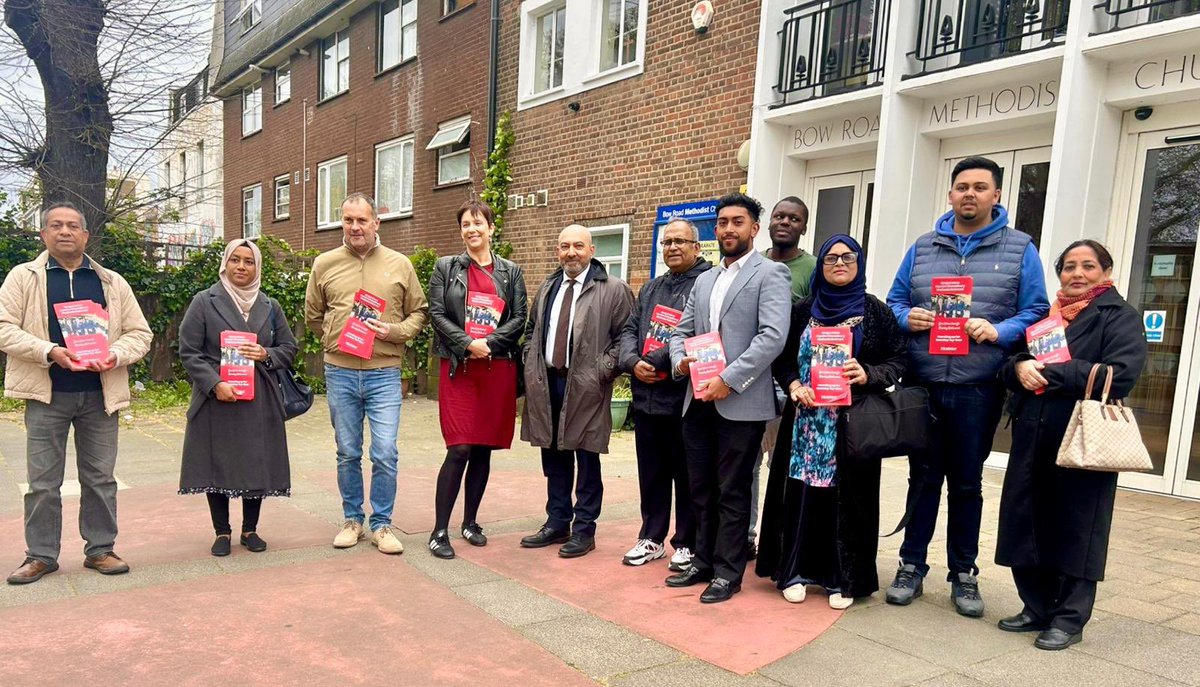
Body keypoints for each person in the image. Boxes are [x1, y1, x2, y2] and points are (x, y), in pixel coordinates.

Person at [885, 155, 1050, 616]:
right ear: (951, 194)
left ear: (996, 195)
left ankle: (964, 573)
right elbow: (895, 298)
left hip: (978, 387)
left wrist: (999, 331)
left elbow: (1036, 310)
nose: (970, 194)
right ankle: (911, 565)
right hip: (924, 382)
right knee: (922, 479)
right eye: (962, 186)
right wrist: (906, 317)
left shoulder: (1020, 248)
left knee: (966, 483)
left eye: (980, 187)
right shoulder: (922, 246)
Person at [996, 240, 1146, 650]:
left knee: (1078, 527)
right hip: (1033, 434)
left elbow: (1123, 374)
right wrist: (1020, 367)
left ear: (1106, 271)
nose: (1077, 274)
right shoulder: (1048, 317)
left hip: (1083, 437)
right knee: (1027, 520)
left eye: (1088, 266)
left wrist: (1054, 372)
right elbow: (1011, 363)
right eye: (1069, 267)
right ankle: (1037, 606)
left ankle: (1069, 617)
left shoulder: (1119, 316)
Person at [1, 202, 152, 584]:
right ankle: (41, 555)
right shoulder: (23, 278)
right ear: (44, 234)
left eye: (72, 226)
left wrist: (115, 354)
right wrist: (48, 351)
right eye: (56, 225)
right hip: (46, 394)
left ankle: (100, 549)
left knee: (100, 478)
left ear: (86, 235)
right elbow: (3, 327)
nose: (65, 231)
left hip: (100, 396)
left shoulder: (111, 282)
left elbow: (140, 334)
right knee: (42, 482)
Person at [756, 235, 906, 609]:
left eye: (847, 257)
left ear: (859, 262)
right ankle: (795, 571)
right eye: (830, 258)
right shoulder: (804, 309)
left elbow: (900, 360)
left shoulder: (875, 312)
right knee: (802, 496)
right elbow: (782, 358)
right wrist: (792, 385)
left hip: (852, 424)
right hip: (805, 421)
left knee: (847, 501)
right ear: (821, 265)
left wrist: (868, 373)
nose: (839, 263)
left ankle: (843, 577)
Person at [666, 192, 791, 604]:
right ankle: (703, 560)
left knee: (733, 490)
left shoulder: (771, 274)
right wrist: (681, 361)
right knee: (700, 488)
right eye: (722, 222)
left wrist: (729, 379)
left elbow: (772, 336)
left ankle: (727, 571)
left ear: (754, 229)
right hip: (697, 399)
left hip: (741, 403)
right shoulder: (704, 279)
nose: (728, 229)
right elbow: (681, 331)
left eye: (737, 222)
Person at [304, 192, 429, 555]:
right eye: (348, 220)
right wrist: (335, 338)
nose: (355, 227)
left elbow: (419, 313)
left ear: (377, 223)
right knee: (346, 451)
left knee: (385, 452)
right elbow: (313, 315)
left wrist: (392, 332)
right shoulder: (324, 263)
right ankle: (352, 519)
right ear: (342, 222)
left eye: (362, 220)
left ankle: (382, 524)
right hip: (340, 371)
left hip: (384, 373)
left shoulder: (400, 264)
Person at [519, 224, 634, 558]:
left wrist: (603, 369)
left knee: (587, 458)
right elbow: (531, 331)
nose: (571, 252)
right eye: (564, 246)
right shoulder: (548, 287)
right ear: (558, 250)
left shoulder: (613, 289)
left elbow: (626, 335)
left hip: (588, 385)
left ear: (591, 250)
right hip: (547, 382)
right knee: (553, 455)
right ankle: (557, 521)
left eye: (578, 246)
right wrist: (530, 362)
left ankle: (584, 529)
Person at [177, 239, 297, 556]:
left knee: (255, 461)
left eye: (249, 261)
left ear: (257, 267)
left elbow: (289, 349)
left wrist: (265, 353)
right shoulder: (204, 301)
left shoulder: (271, 307)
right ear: (225, 264)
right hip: (216, 398)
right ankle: (221, 532)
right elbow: (188, 352)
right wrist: (214, 383)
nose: (241, 267)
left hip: (259, 398)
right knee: (217, 462)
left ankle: (250, 529)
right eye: (235, 260)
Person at [425, 200, 528, 559]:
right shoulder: (445, 268)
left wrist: (489, 344)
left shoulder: (511, 272)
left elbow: (519, 317)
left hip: (495, 367)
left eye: (478, 223)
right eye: (466, 224)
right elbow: (436, 313)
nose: (472, 230)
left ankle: (470, 522)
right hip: (459, 367)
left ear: (491, 228)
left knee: (483, 446)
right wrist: (468, 343)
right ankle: (439, 530)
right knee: (460, 447)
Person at [616, 218, 710, 570]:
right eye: (667, 242)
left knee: (687, 476)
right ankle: (651, 537)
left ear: (696, 247)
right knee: (652, 474)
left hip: (683, 399)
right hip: (646, 399)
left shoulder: (706, 283)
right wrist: (631, 361)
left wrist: (652, 362)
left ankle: (686, 542)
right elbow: (629, 327)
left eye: (680, 241)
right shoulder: (652, 287)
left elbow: (693, 334)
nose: (672, 247)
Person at [751, 196, 819, 560]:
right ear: (768, 222)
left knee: (783, 463)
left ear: (803, 227)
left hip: (790, 378)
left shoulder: (812, 268)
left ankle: (776, 540)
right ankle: (746, 535)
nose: (785, 222)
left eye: (794, 218)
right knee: (748, 462)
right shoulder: (754, 264)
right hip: (751, 375)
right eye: (779, 215)